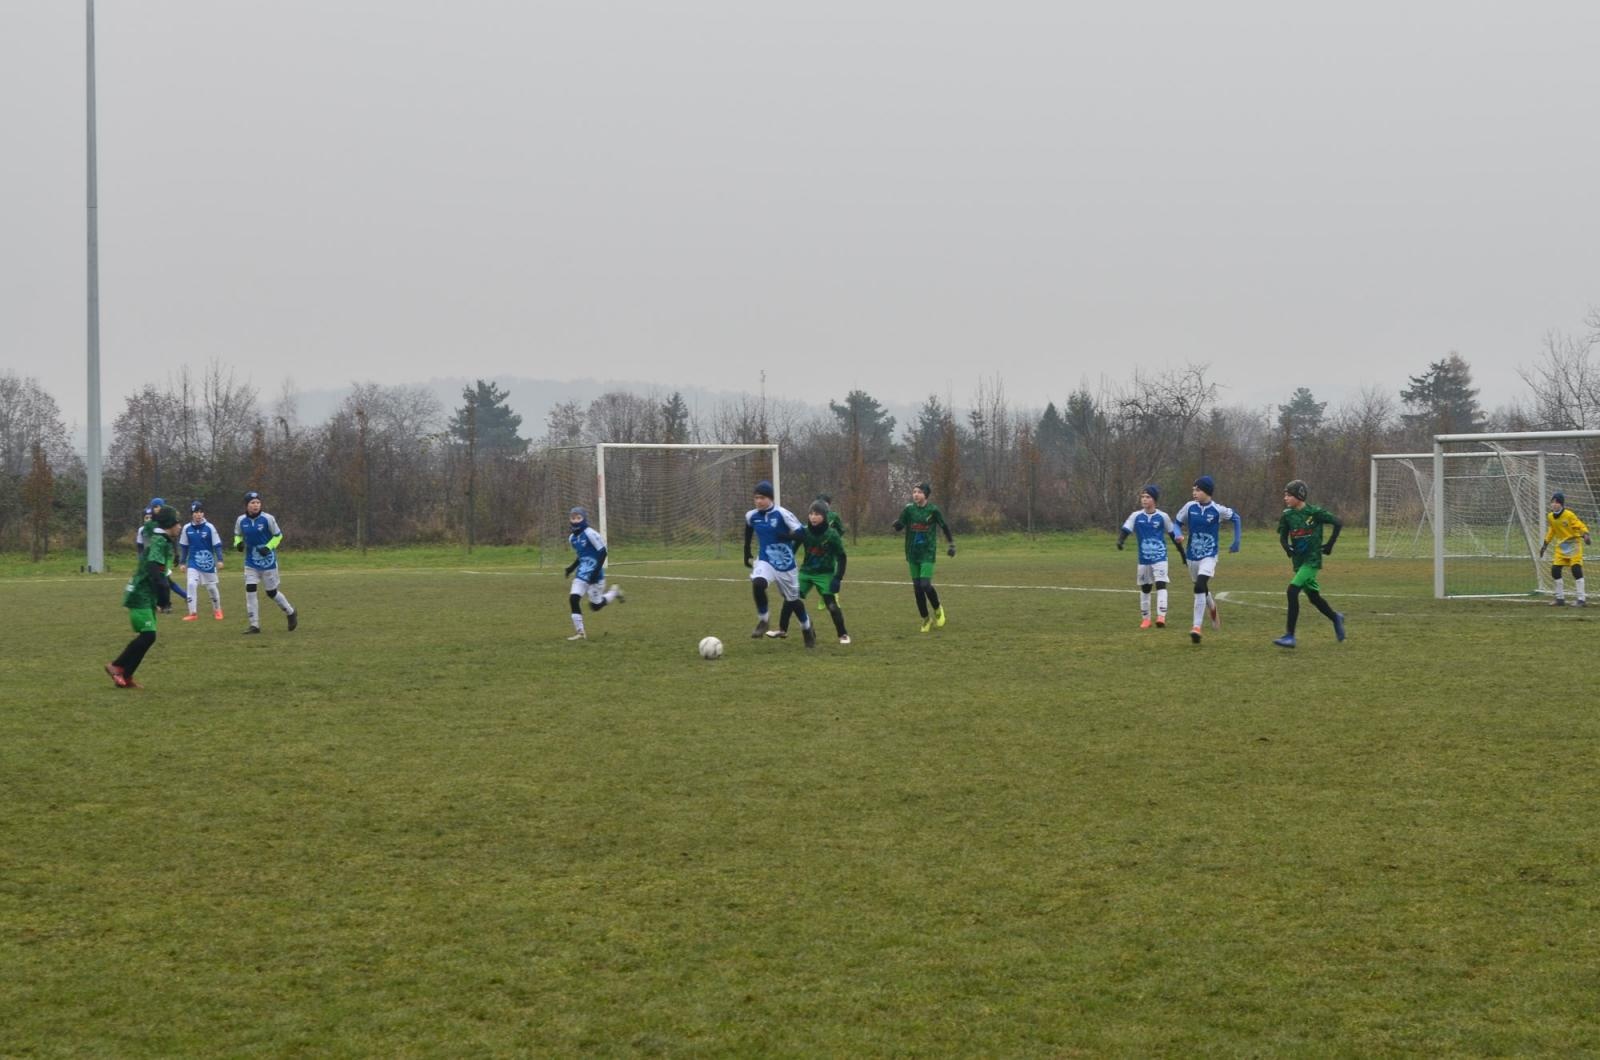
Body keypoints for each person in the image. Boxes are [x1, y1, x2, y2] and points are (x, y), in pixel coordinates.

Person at [106, 503, 180, 688]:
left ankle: (126, 676)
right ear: (169, 524)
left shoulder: (160, 537)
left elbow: (150, 526)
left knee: (149, 637)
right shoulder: (159, 541)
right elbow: (155, 571)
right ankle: (117, 665)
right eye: (177, 523)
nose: (180, 526)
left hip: (147, 595)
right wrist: (165, 599)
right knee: (148, 636)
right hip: (140, 594)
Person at [1272, 479, 1346, 648]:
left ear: (1299, 496)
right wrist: (1287, 548)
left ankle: (1290, 636)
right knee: (1314, 598)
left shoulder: (1315, 512)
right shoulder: (1287, 515)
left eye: (1289, 495)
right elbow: (1283, 536)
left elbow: (1338, 523)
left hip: (1312, 561)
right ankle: (1336, 618)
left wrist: (1329, 545)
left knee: (1292, 591)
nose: (1285, 498)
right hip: (1298, 562)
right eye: (1285, 494)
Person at [744, 480, 815, 648]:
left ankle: (806, 627)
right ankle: (764, 620)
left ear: (770, 498)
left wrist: (787, 536)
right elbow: (748, 529)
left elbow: (801, 534)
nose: (758, 501)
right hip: (765, 560)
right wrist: (746, 550)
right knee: (758, 583)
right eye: (756, 498)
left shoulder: (782, 514)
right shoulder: (751, 516)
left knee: (793, 601)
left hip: (785, 564)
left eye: (762, 498)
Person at [1173, 475, 1241, 644]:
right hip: (1192, 557)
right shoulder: (1189, 507)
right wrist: (1178, 534)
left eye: (1198, 490)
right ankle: (1212, 607)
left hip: (1209, 556)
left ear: (1207, 492)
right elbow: (1176, 523)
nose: (1194, 493)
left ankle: (1196, 627)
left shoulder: (1217, 510)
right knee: (1201, 587)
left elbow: (1236, 518)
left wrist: (1236, 541)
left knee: (1199, 586)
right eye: (1193, 490)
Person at [770, 499, 849, 644]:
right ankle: (782, 629)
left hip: (825, 574)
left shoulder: (832, 535)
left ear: (825, 516)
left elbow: (842, 557)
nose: (813, 517)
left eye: (817, 514)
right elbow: (792, 548)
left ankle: (843, 634)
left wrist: (838, 577)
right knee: (790, 598)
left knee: (831, 604)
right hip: (806, 572)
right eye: (811, 513)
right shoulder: (804, 531)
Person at [1117, 484, 1184, 629]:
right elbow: (1126, 529)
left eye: (1147, 497)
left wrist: (1182, 554)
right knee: (1145, 589)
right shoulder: (1136, 516)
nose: (1144, 499)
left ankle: (1161, 617)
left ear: (1154, 500)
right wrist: (1120, 541)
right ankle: (1146, 619)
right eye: (1142, 497)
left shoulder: (1162, 517)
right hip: (1144, 559)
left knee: (1161, 584)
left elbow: (1173, 535)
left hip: (1160, 558)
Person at [893, 481, 956, 633]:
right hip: (912, 554)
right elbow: (901, 525)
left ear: (926, 494)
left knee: (925, 585)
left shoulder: (933, 510)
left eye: (919, 492)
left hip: (927, 552)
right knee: (917, 589)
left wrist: (951, 544)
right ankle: (926, 619)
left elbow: (944, 526)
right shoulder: (909, 510)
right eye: (914, 491)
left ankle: (937, 608)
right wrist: (896, 525)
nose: (916, 494)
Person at [233, 490, 298, 634]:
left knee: (271, 592)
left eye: (258, 502)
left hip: (268, 562)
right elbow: (237, 535)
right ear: (246, 505)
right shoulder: (241, 520)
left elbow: (278, 536)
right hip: (250, 562)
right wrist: (238, 544)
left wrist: (269, 547)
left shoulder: (268, 518)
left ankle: (290, 612)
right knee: (250, 590)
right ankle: (254, 625)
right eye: (252, 503)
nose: (255, 505)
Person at [563, 506, 625, 640]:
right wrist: (571, 568)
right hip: (581, 575)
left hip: (595, 576)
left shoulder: (590, 533)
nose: (575, 520)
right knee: (573, 599)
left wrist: (595, 573)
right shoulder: (572, 538)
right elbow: (581, 555)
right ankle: (580, 633)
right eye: (573, 518)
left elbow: (603, 553)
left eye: (578, 517)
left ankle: (613, 592)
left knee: (595, 606)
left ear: (584, 518)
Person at [1539, 490, 1591, 606]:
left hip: (1574, 545)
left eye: (1556, 502)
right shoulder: (1550, 517)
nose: (1553, 504)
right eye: (1552, 502)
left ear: (1561, 504)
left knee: (1576, 569)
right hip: (1561, 547)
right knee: (1555, 570)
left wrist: (1586, 534)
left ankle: (1581, 599)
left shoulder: (1569, 515)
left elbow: (1579, 525)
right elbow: (1551, 531)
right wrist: (1545, 545)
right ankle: (1560, 599)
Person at [177, 500, 225, 621]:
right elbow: (184, 546)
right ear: (192, 514)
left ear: (203, 513)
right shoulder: (187, 528)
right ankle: (193, 613)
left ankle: (217, 610)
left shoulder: (210, 527)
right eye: (195, 512)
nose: (198, 514)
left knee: (212, 588)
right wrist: (182, 562)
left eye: (200, 512)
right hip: (193, 562)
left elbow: (217, 544)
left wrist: (220, 559)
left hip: (208, 563)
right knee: (191, 584)